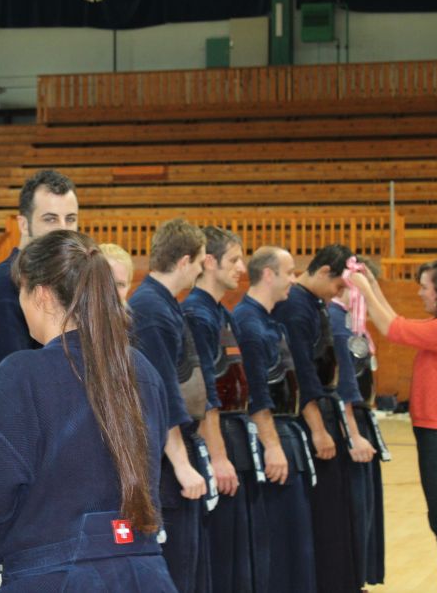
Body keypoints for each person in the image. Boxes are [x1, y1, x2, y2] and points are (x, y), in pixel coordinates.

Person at [0, 230, 178, 592]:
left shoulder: (23, 375)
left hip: (55, 575)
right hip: (145, 572)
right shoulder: (142, 371)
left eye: (21, 292)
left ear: (39, 294)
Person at [350, 258, 437, 593]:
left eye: (425, 287)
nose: (420, 293)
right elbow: (397, 321)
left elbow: (393, 329)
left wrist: (365, 289)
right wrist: (371, 285)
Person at [272, 244, 363, 593]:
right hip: (310, 417)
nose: (338, 293)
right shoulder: (294, 307)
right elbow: (303, 373)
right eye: (338, 286)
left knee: (336, 509)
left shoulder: (313, 303)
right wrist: (318, 430)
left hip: (325, 407)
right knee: (324, 511)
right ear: (324, 271)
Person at [127, 218, 210, 593]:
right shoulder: (151, 310)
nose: (200, 271)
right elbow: (159, 395)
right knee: (174, 568)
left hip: (171, 449)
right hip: (161, 460)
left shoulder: (163, 304)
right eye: (200, 263)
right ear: (184, 261)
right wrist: (181, 464)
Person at [232, 247, 317, 593]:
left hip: (286, 432)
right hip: (271, 437)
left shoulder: (269, 320)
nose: (294, 280)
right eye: (290, 272)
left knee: (296, 538)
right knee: (279, 539)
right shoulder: (248, 323)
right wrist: (272, 446)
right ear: (269, 274)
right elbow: (255, 394)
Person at [181, 227, 257, 593]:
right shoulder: (197, 313)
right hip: (213, 440)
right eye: (234, 260)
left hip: (231, 434)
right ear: (209, 262)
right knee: (220, 550)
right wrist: (218, 457)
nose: (242, 268)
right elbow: (204, 394)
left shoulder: (221, 312)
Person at [0, 169, 78, 371]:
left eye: (70, 219)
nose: (64, 229)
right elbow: (7, 379)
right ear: (23, 224)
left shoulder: (65, 280)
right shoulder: (2, 289)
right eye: (50, 219)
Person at [329, 256, 387, 588]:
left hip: (361, 419)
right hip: (347, 424)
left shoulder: (353, 323)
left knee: (364, 510)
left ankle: (359, 576)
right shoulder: (337, 320)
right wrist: (352, 433)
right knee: (352, 509)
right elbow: (343, 385)